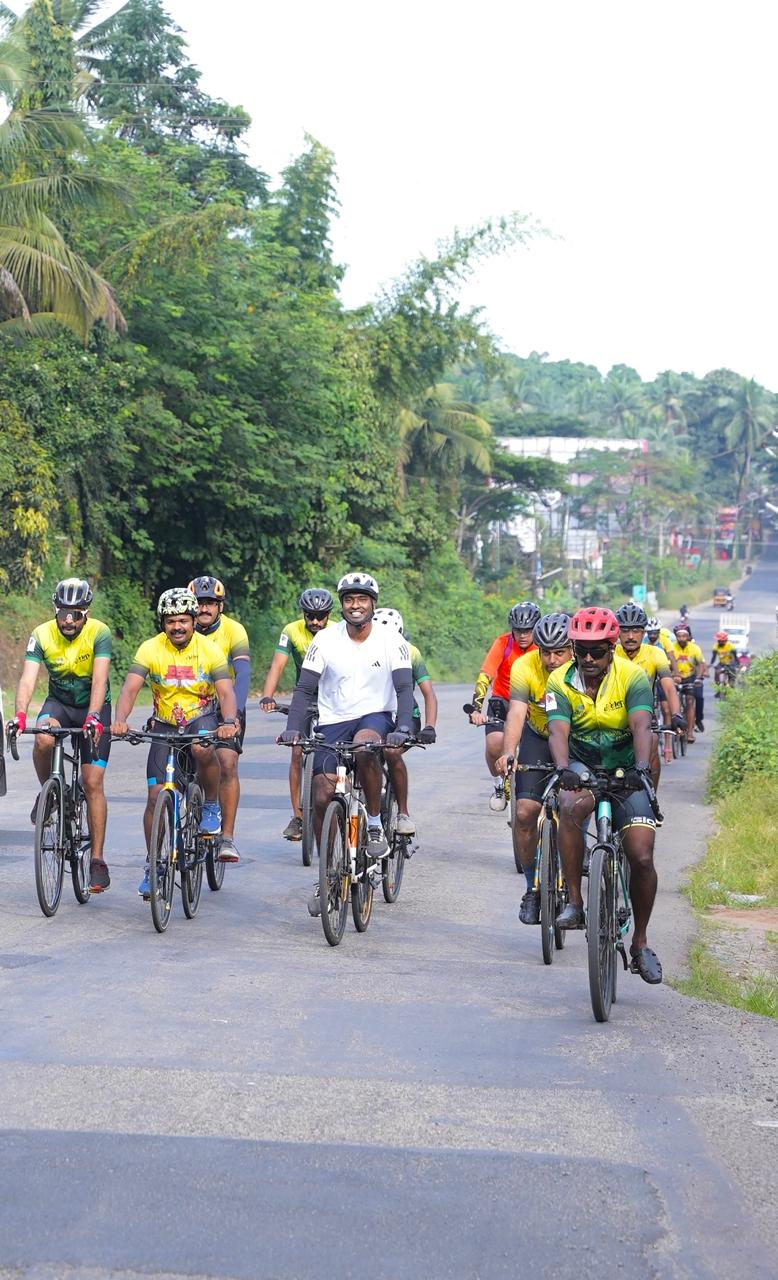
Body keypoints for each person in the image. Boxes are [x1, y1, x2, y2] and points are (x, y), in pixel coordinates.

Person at [278, 573, 415, 915]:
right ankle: (327, 875)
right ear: (342, 605)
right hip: (333, 720)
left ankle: (372, 823)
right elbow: (305, 689)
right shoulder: (325, 639)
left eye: (362, 599)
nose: (356, 605)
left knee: (365, 749)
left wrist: (403, 727)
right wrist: (294, 727)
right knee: (322, 792)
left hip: (375, 716)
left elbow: (403, 689)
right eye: (349, 600)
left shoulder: (389, 639)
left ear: (373, 603)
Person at [545, 606, 663, 984]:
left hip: (627, 768)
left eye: (598, 650)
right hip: (582, 766)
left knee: (642, 856)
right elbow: (557, 731)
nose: (590, 658)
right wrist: (564, 769)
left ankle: (641, 943)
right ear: (574, 649)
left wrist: (642, 769)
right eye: (582, 651)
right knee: (567, 806)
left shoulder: (634, 677)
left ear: (612, 648)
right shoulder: (559, 681)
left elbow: (642, 724)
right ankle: (576, 902)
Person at [110, 588, 239, 897]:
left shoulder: (209, 650)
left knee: (201, 748)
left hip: (202, 720)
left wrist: (229, 722)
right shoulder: (150, 649)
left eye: (183, 620)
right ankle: (153, 865)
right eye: (170, 621)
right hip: (165, 725)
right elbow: (130, 688)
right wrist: (120, 719)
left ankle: (210, 806)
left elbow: (225, 692)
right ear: (163, 623)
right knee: (156, 797)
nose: (177, 627)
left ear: (193, 621)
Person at [11, 577, 113, 893]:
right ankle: (50, 794)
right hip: (60, 704)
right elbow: (28, 680)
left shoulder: (100, 632)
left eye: (76, 614)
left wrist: (95, 717)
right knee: (42, 737)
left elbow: (100, 679)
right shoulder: (41, 634)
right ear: (56, 610)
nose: (69, 621)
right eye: (63, 613)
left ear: (87, 612)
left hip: (93, 706)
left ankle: (96, 860)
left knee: (92, 782)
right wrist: (20, 715)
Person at [495, 613, 572, 925]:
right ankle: (531, 888)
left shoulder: (583, 671)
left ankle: (573, 882)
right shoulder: (524, 667)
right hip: (538, 737)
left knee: (573, 810)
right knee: (525, 814)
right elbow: (516, 712)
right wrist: (508, 752)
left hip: (573, 740)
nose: (552, 660)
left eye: (560, 652)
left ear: (573, 650)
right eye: (546, 652)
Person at [260, 588, 335, 840]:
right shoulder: (291, 631)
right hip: (304, 696)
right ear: (303, 614)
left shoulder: (339, 630)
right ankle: (298, 817)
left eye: (320, 616)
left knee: (341, 750)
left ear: (329, 615)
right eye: (310, 615)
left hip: (335, 698)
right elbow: (278, 664)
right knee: (296, 749)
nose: (315, 621)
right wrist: (268, 695)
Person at [188, 575, 251, 863]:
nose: (204, 608)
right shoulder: (180, 628)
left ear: (220, 606)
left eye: (210, 603)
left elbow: (243, 675)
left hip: (225, 705)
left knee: (226, 762)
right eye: (199, 603)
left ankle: (227, 837)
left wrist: (233, 715)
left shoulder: (234, 630)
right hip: (189, 706)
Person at [468, 601, 541, 811]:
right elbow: (486, 675)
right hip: (503, 700)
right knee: (494, 744)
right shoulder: (503, 643)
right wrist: (476, 708)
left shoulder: (543, 649)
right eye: (518, 630)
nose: (523, 635)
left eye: (528, 630)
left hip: (532, 703)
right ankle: (499, 783)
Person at [373, 607, 438, 833]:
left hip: (407, 716)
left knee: (391, 752)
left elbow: (428, 693)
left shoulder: (411, 652)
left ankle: (402, 813)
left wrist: (430, 726)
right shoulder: (361, 650)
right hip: (374, 714)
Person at [614, 602, 683, 786]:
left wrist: (676, 714)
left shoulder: (655, 654)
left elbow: (668, 686)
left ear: (643, 632)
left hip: (645, 717)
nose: (630, 636)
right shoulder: (610, 653)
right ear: (617, 632)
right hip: (612, 717)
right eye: (625, 630)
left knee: (651, 743)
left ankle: (651, 798)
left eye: (636, 630)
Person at [668, 623, 706, 740]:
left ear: (688, 636)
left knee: (690, 701)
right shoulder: (672, 648)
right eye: (679, 636)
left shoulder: (695, 648)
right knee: (673, 704)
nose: (682, 639)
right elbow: (666, 664)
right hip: (675, 678)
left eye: (684, 636)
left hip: (690, 677)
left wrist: (698, 678)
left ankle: (690, 733)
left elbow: (700, 665)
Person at [709, 629, 738, 696]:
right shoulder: (715, 646)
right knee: (717, 672)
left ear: (725, 640)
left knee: (732, 676)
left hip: (731, 663)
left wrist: (737, 664)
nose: (719, 642)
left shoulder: (731, 646)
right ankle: (718, 689)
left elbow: (735, 657)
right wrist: (711, 664)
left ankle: (731, 689)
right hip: (722, 663)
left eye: (721, 640)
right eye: (718, 640)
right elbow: (714, 657)